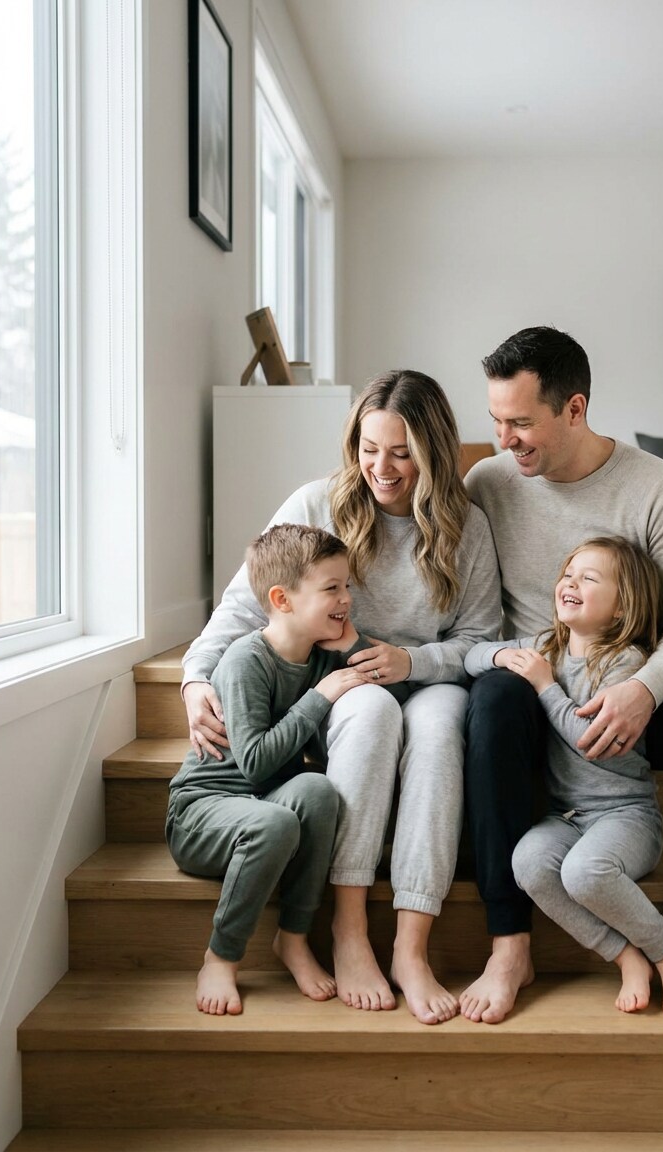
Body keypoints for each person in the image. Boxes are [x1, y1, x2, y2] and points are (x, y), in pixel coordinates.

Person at [460, 325, 663, 1028]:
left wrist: (644, 689)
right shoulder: (487, 484)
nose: (503, 440)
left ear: (573, 410)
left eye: (520, 423)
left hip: (631, 700)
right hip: (542, 701)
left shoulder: (656, 486)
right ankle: (509, 943)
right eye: (495, 421)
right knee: (490, 701)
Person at [182, 370, 501, 1025]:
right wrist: (194, 679)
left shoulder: (466, 527)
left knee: (441, 729)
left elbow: (481, 637)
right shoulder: (315, 504)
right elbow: (245, 605)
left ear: (435, 452)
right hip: (344, 684)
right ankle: (350, 927)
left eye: (402, 452)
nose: (381, 468)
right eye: (369, 448)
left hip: (429, 677)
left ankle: (412, 947)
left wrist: (414, 659)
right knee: (371, 707)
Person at [465, 536, 663, 1015]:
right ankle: (624, 954)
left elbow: (589, 740)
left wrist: (545, 687)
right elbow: (471, 654)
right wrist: (498, 659)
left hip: (625, 815)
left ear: (620, 609)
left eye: (589, 578)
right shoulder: (544, 648)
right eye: (568, 574)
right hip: (566, 817)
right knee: (528, 864)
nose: (570, 582)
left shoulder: (625, 663)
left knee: (585, 874)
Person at [166, 524, 371, 1016]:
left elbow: (390, 688)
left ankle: (294, 937)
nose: (346, 598)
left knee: (319, 792)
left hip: (260, 808)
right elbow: (255, 765)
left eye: (346, 586)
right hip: (203, 813)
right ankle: (221, 956)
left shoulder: (323, 654)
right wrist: (322, 697)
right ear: (282, 599)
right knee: (277, 820)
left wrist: (356, 643)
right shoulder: (245, 662)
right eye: (331, 589)